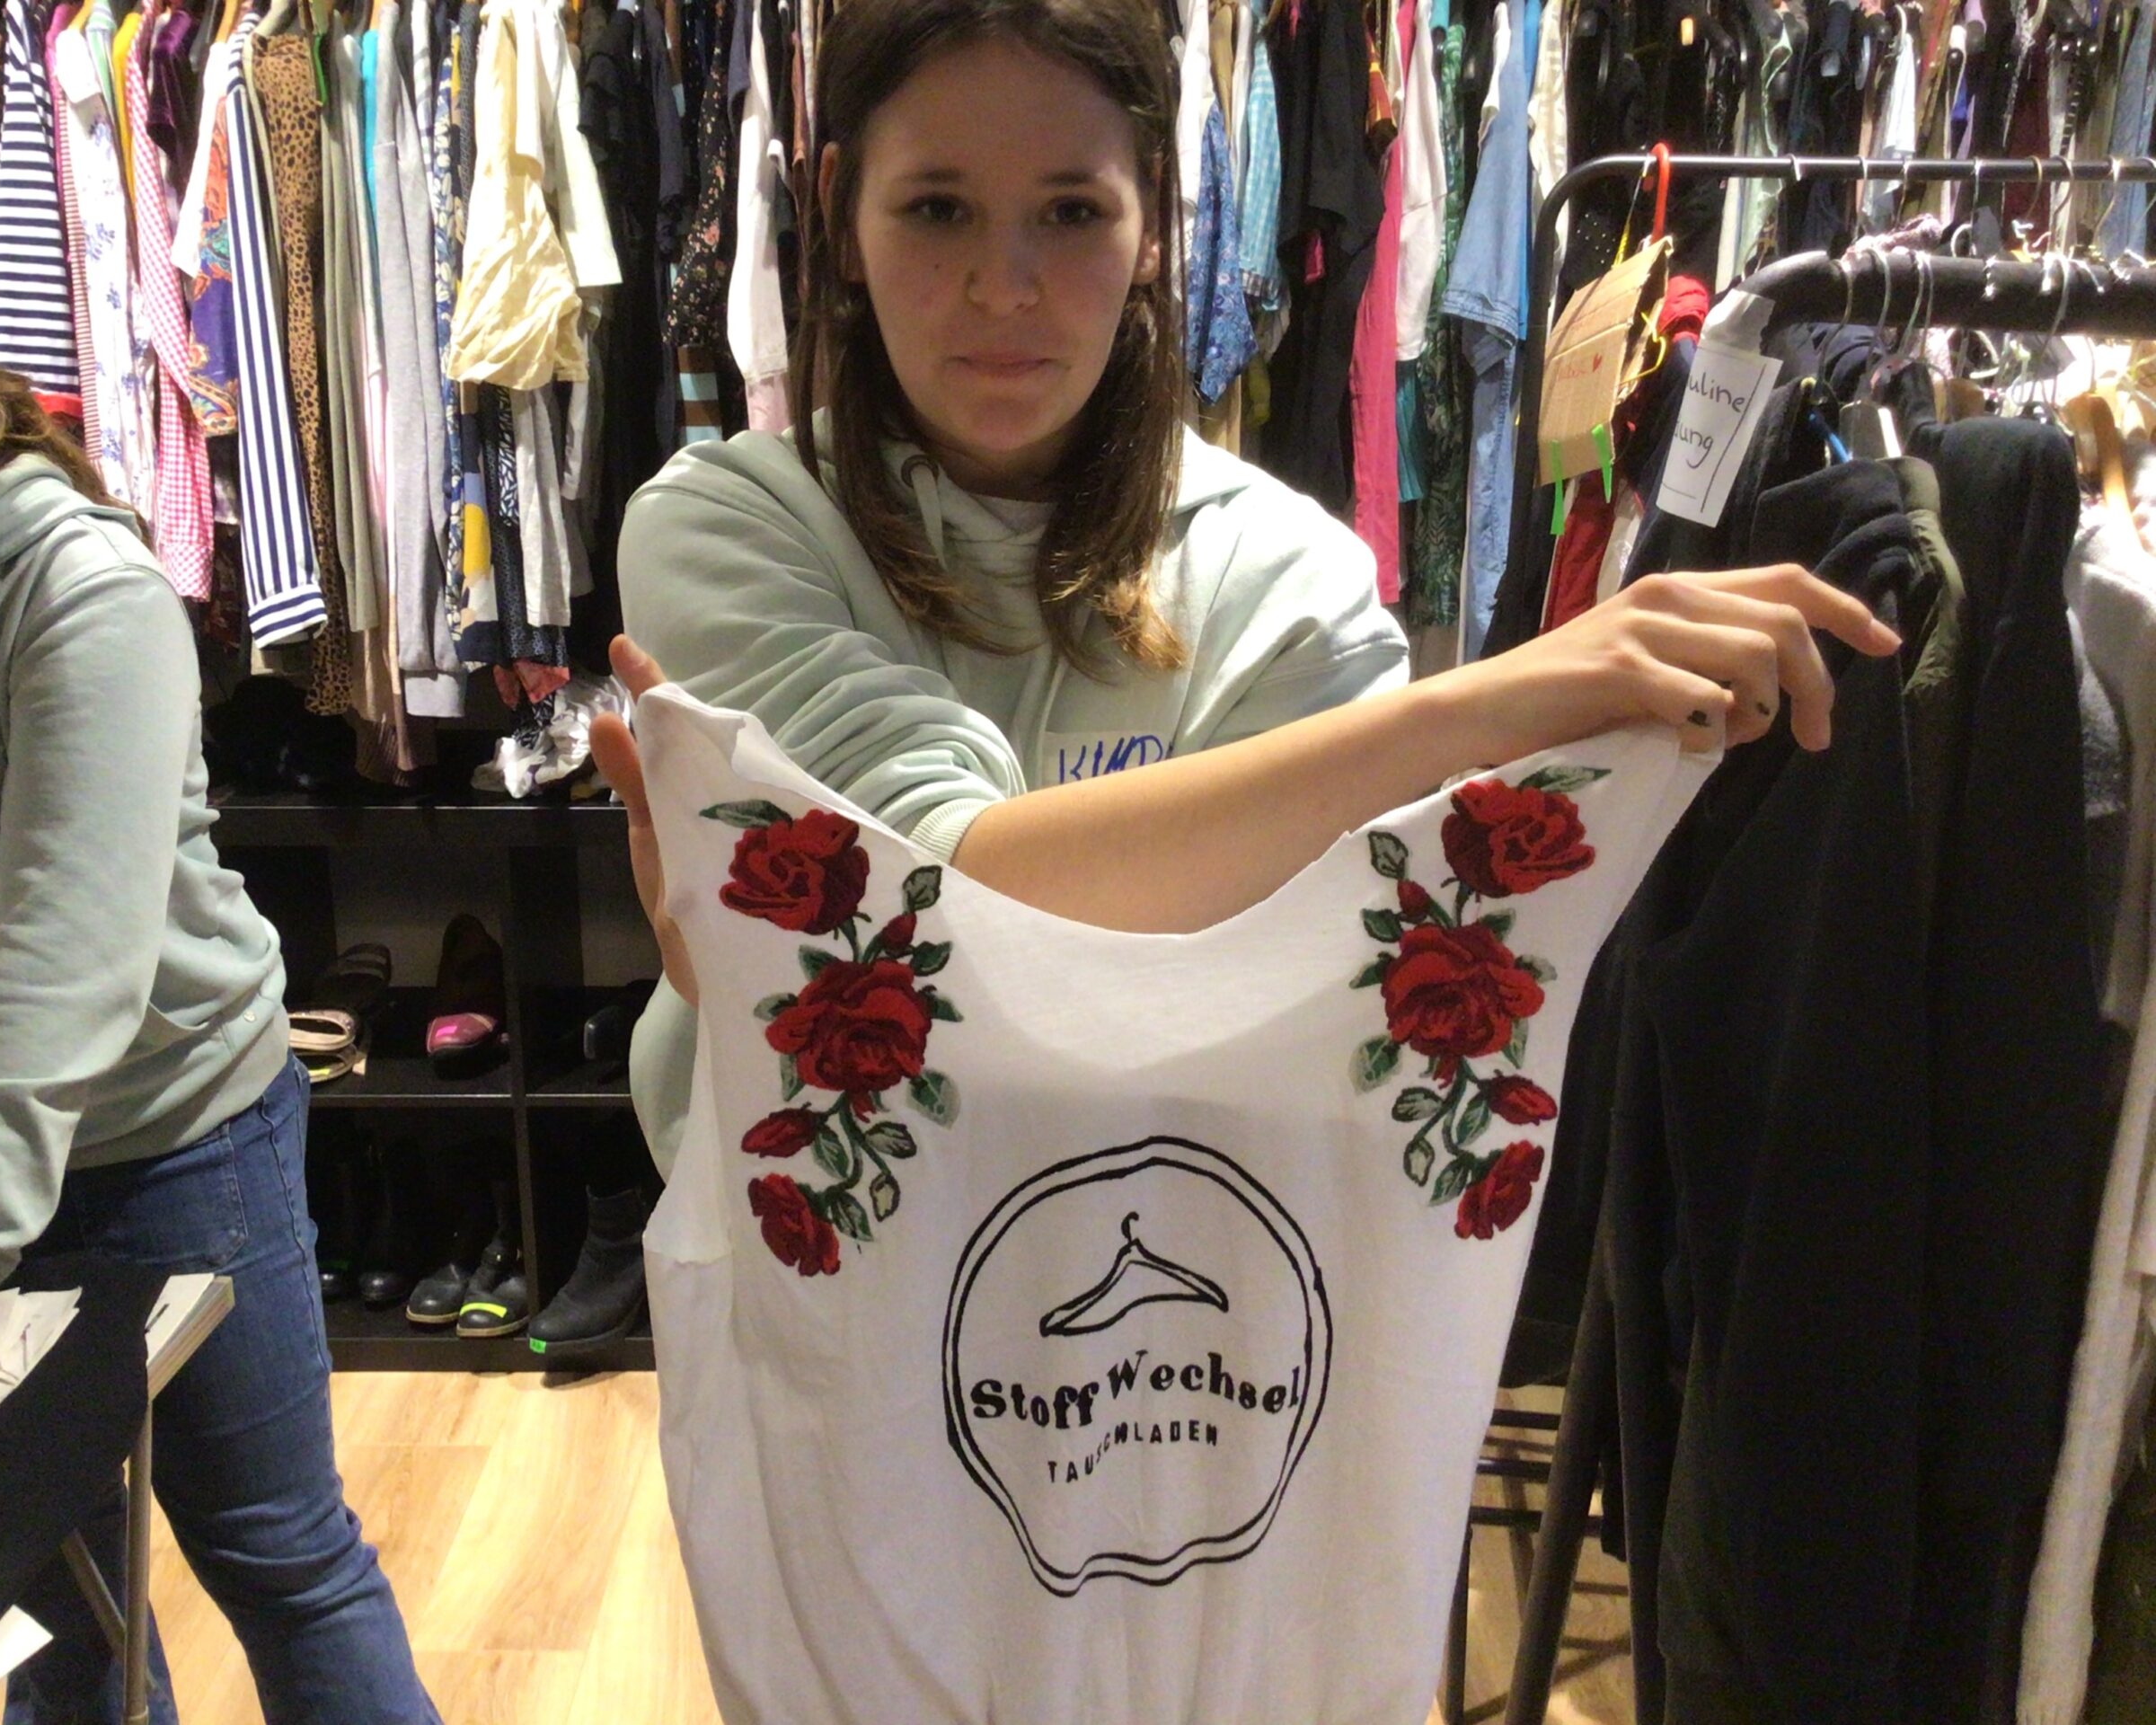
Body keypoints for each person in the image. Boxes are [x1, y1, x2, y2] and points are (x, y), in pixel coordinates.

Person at [588, 0, 1899, 1176]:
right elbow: (950, 899)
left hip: (1188, 1276)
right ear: (838, 213)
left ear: (1156, 219)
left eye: (1071, 210)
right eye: (938, 208)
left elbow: (1306, 1003)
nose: (1005, 287)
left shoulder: (1284, 576)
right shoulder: (729, 529)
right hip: (821, 1284)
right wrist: (1484, 708)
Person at [0, 168, 438, 1725]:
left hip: (166, 1140)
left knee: (278, 1556)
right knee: (38, 1595)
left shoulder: (79, 593)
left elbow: (67, 963)